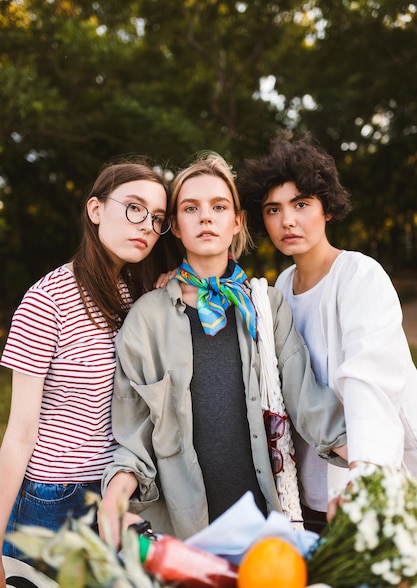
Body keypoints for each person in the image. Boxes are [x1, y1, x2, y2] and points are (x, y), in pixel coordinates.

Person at [99, 151, 347, 548]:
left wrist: (368, 463)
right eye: (190, 208)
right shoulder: (146, 318)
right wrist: (114, 496)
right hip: (184, 532)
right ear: (176, 227)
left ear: (236, 222)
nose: (206, 217)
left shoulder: (266, 306)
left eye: (219, 206)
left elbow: (309, 402)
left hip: (265, 524)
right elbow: (134, 435)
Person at [0, 157, 181, 588]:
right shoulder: (47, 301)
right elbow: (19, 432)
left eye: (157, 218)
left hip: (116, 492)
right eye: (134, 208)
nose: (147, 225)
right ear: (96, 210)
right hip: (52, 502)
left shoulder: (136, 295)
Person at [237, 133, 417, 526]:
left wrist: (364, 473)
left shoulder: (358, 275)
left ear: (327, 209)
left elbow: (368, 378)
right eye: (273, 209)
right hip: (302, 496)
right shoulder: (278, 289)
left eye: (301, 204)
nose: (287, 220)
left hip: (364, 483)